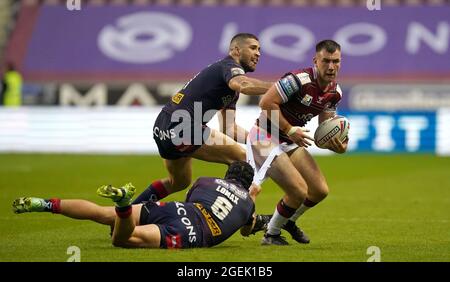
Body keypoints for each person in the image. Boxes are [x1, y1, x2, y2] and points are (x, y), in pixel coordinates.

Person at [133, 33, 272, 204]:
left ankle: (127, 214)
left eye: (259, 49)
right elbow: (243, 84)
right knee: (241, 160)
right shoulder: (228, 66)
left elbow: (230, 129)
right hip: (182, 126)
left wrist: (262, 140)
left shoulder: (230, 86)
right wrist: (278, 87)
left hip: (163, 126)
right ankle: (223, 213)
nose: (258, 53)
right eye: (252, 48)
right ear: (236, 50)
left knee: (179, 182)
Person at [12, 161, 263, 249]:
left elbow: (190, 199)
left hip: (180, 209)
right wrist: (251, 199)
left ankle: (46, 203)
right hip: (191, 230)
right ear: (248, 182)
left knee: (101, 213)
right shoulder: (248, 204)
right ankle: (123, 206)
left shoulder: (205, 180)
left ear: (228, 172)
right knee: (123, 240)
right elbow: (245, 229)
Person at [246, 40, 348, 245]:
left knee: (319, 190)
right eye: (325, 61)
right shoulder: (298, 80)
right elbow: (265, 102)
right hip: (265, 136)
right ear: (315, 61)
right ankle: (271, 234)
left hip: (289, 140)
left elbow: (323, 132)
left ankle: (288, 221)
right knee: (298, 191)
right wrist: (290, 129)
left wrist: (337, 145)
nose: (331, 66)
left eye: (335, 61)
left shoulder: (334, 92)